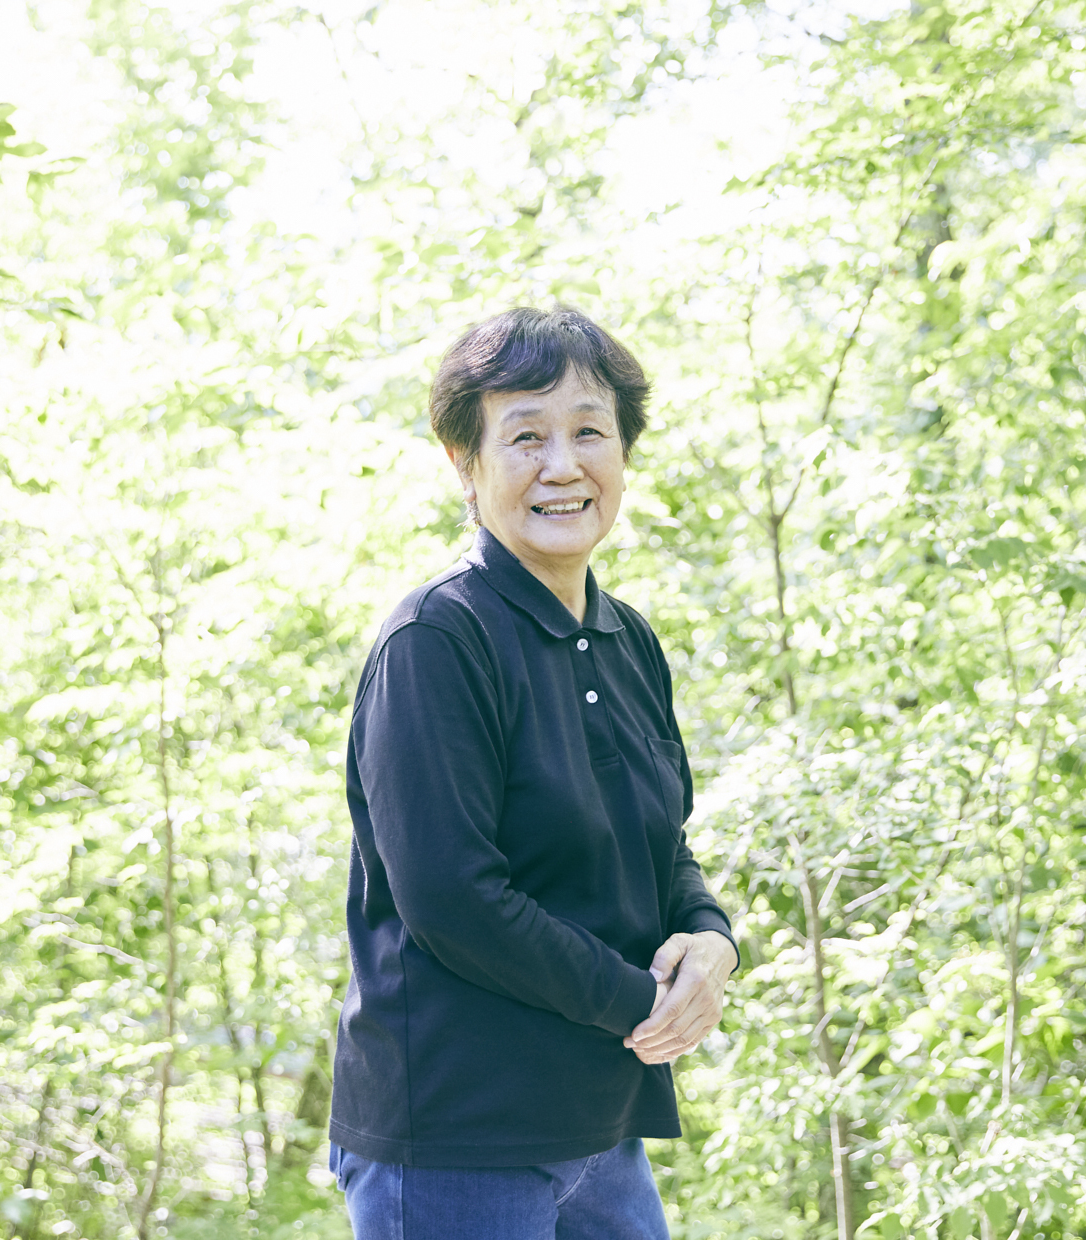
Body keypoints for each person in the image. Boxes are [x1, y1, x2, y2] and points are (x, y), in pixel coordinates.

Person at [328, 306, 739, 1239]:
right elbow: (454, 902)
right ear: (464, 464)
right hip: (454, 1137)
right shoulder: (438, 640)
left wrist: (711, 942)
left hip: (601, 1122)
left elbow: (660, 844)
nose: (562, 466)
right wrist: (645, 1004)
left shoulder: (628, 639)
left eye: (589, 432)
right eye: (524, 437)